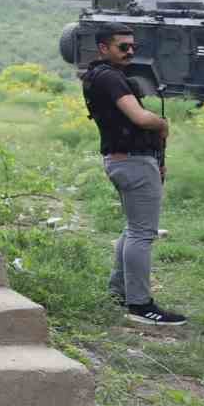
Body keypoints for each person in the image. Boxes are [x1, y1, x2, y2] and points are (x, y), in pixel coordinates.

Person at [82, 26, 187, 325]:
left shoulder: (96, 76)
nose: (130, 52)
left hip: (121, 160)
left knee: (132, 229)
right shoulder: (111, 78)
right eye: (122, 47)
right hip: (133, 163)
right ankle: (141, 306)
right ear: (103, 48)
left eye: (132, 47)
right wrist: (163, 124)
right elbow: (140, 118)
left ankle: (119, 292)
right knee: (143, 233)